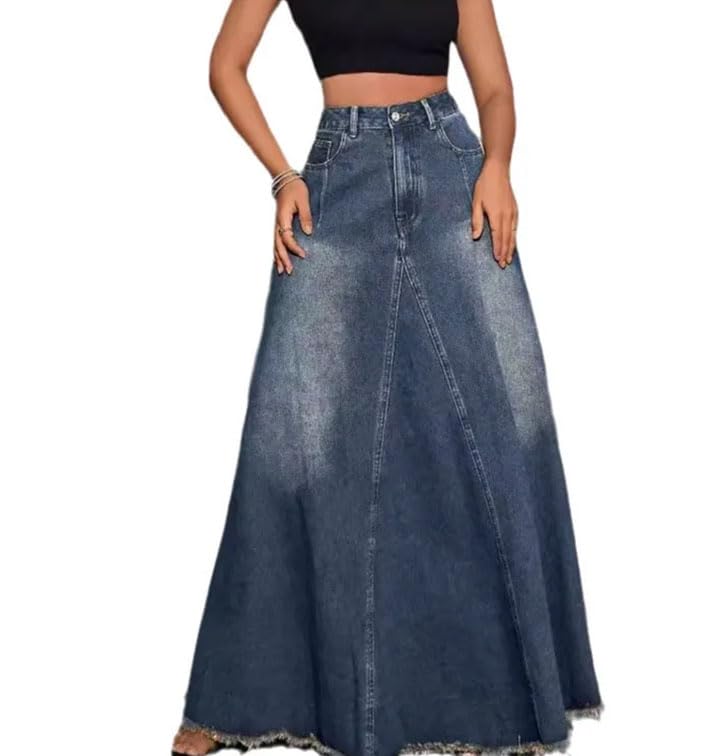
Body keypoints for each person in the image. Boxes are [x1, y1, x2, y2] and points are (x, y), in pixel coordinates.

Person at [171, 1, 603, 755]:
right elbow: (224, 67)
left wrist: (497, 167)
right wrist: (281, 177)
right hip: (338, 181)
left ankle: (515, 700)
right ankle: (234, 699)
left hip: (452, 175)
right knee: (289, 435)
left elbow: (494, 88)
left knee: (501, 422)